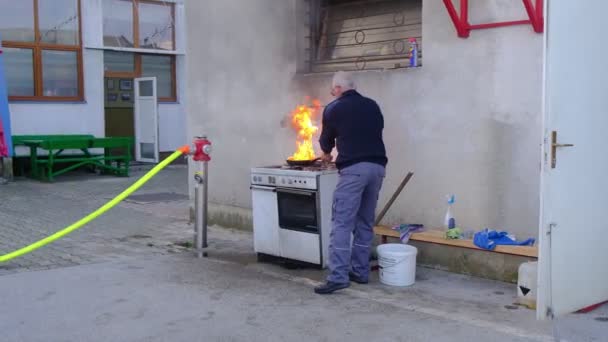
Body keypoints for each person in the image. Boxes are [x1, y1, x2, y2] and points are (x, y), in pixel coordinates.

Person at [315, 71, 388, 294]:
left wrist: (326, 153)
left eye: (332, 89)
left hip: (354, 170)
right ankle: (360, 271)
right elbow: (374, 131)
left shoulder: (334, 108)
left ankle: (338, 276)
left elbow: (326, 139)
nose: (331, 93)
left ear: (338, 88)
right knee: (365, 222)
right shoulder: (373, 105)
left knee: (341, 223)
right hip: (377, 168)